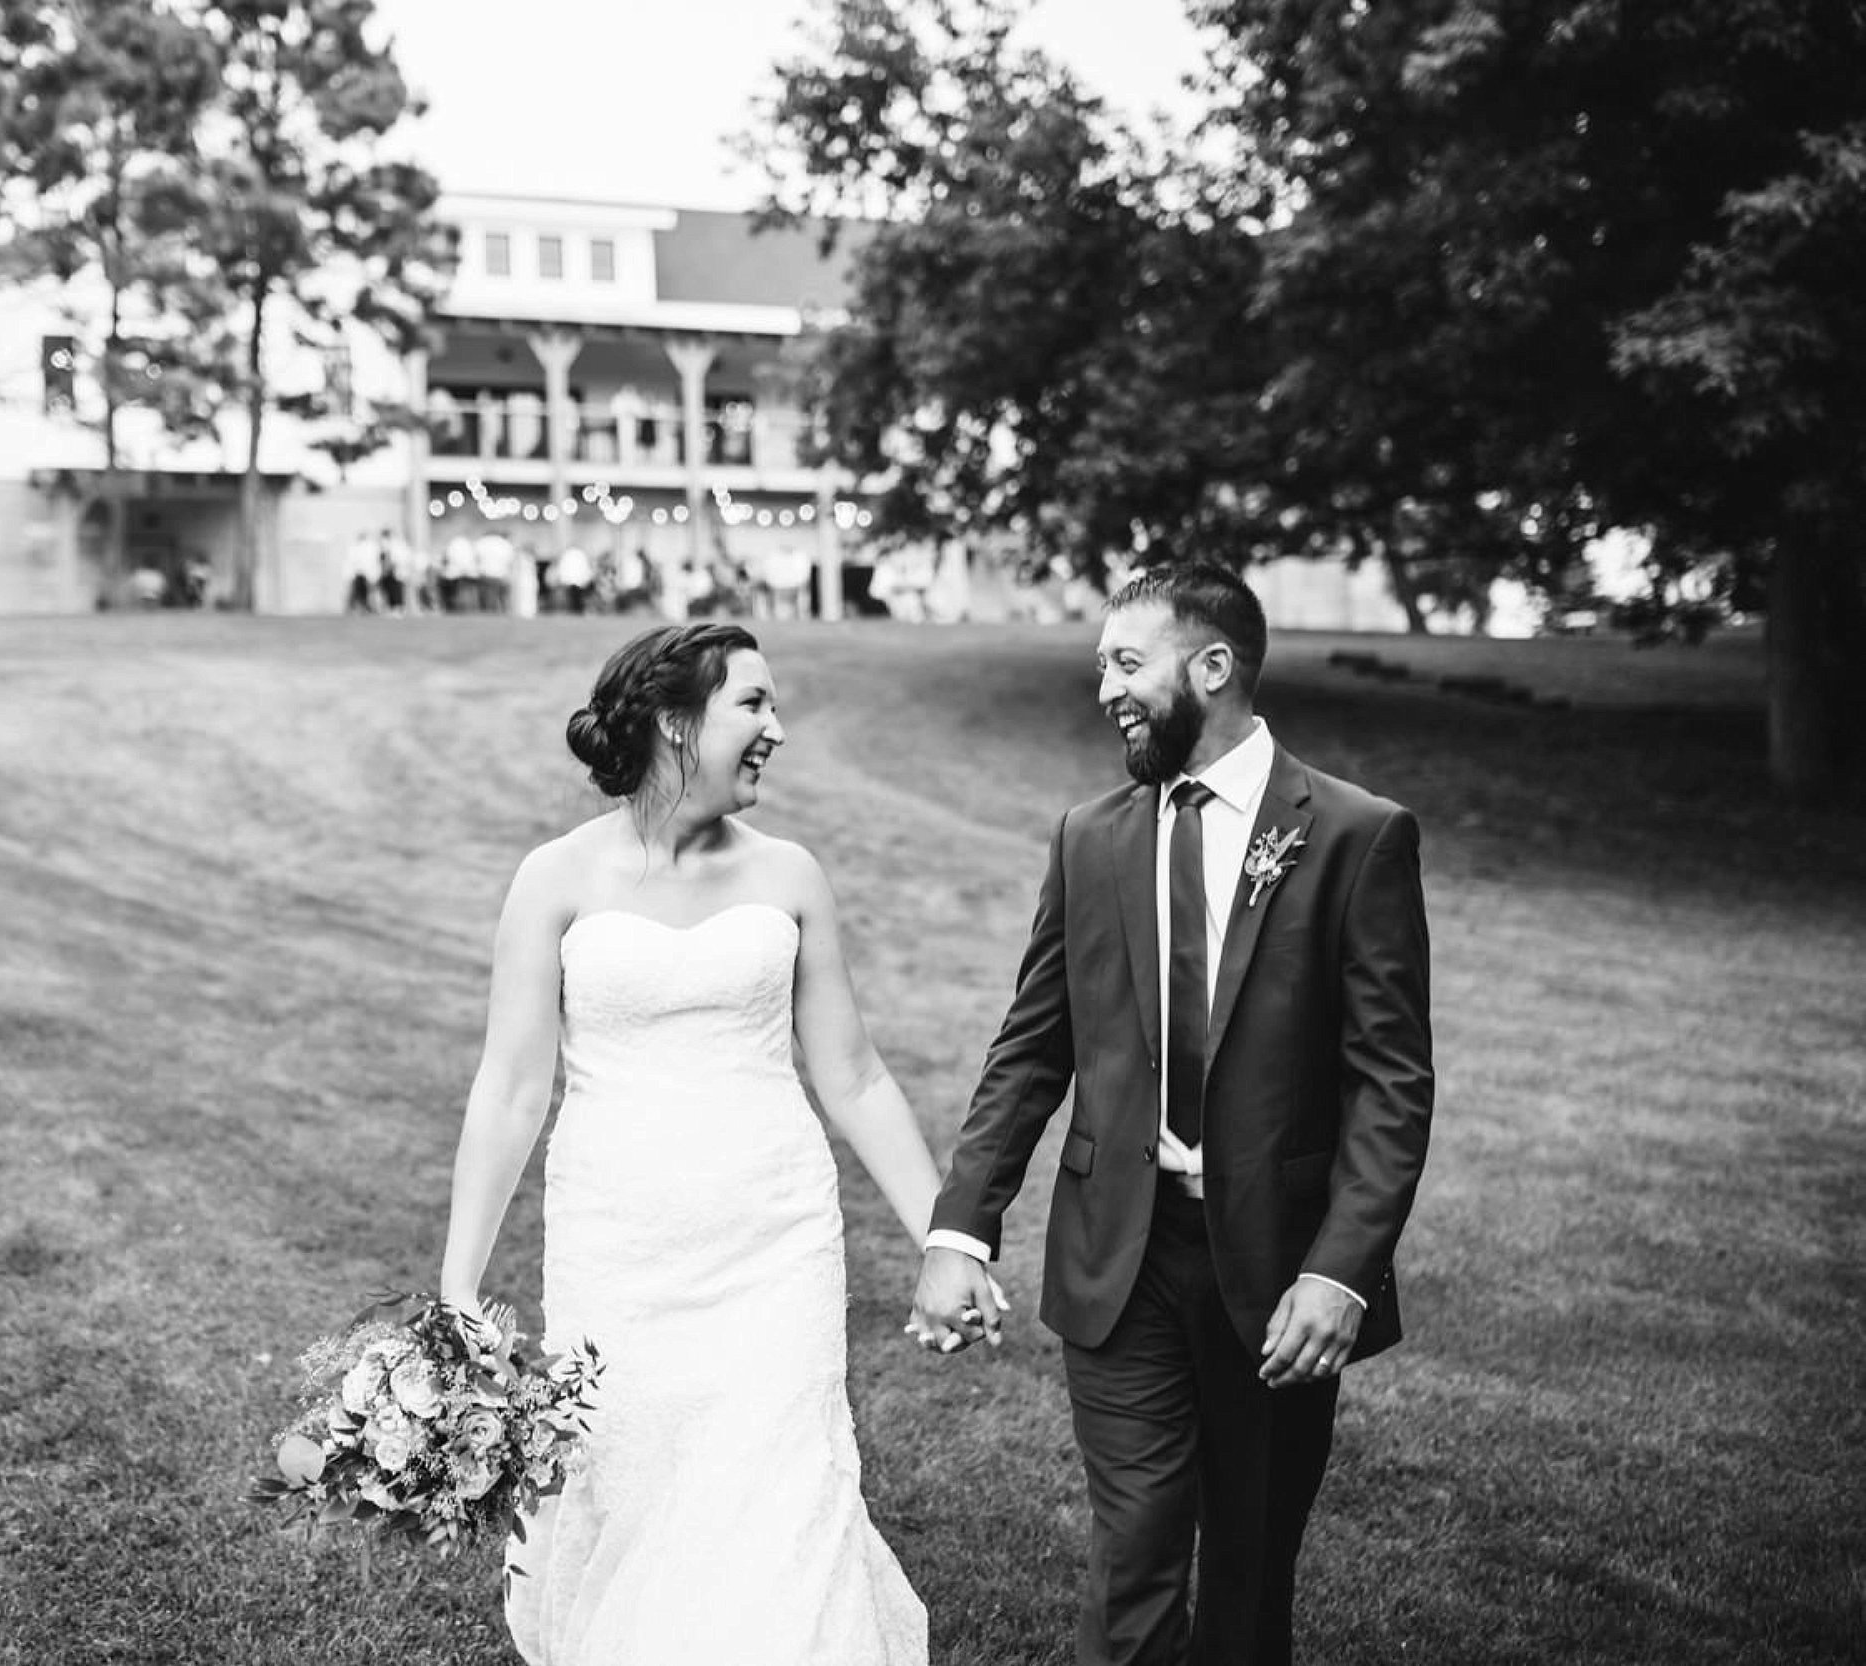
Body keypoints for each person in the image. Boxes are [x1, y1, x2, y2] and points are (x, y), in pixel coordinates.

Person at [910, 562, 1434, 1666]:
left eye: (1124, 661)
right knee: (1136, 1546)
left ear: (1213, 667)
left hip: (1279, 1269)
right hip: (1121, 1256)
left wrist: (1340, 1270)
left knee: (1247, 1576)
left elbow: (1390, 1080)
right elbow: (1032, 1045)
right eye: (1100, 661)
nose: (1102, 684)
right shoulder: (1090, 836)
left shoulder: (1353, 835)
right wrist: (961, 1225)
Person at [440, 622, 943, 1666]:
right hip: (618, 1243)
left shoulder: (791, 874)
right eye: (753, 705)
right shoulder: (555, 878)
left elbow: (852, 1074)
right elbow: (510, 1088)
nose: (778, 729)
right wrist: (456, 1289)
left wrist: (946, 1239)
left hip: (775, 1239)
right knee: (636, 1488)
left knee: (777, 1490)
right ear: (676, 721)